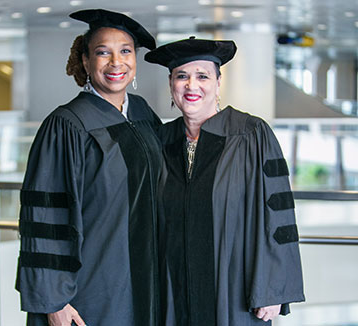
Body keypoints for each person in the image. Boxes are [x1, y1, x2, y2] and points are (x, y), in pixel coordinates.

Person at [16, 9, 162, 326]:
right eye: (102, 52)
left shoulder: (142, 114)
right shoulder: (66, 126)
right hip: (90, 290)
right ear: (85, 61)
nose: (116, 62)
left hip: (143, 281)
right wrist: (54, 300)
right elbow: (45, 216)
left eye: (125, 51)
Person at [144, 37, 305, 325]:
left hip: (234, 290)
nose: (192, 85)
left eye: (202, 76)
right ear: (171, 84)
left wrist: (272, 288)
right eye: (182, 76)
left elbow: (277, 212)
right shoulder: (161, 140)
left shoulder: (251, 134)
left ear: (218, 83)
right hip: (174, 290)